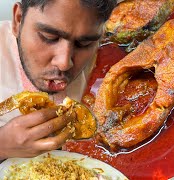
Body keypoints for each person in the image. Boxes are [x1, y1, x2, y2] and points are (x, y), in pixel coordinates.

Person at [0, 0, 116, 160]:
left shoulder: (109, 56)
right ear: (18, 20)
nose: (64, 63)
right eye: (49, 37)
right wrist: (2, 146)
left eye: (84, 44)